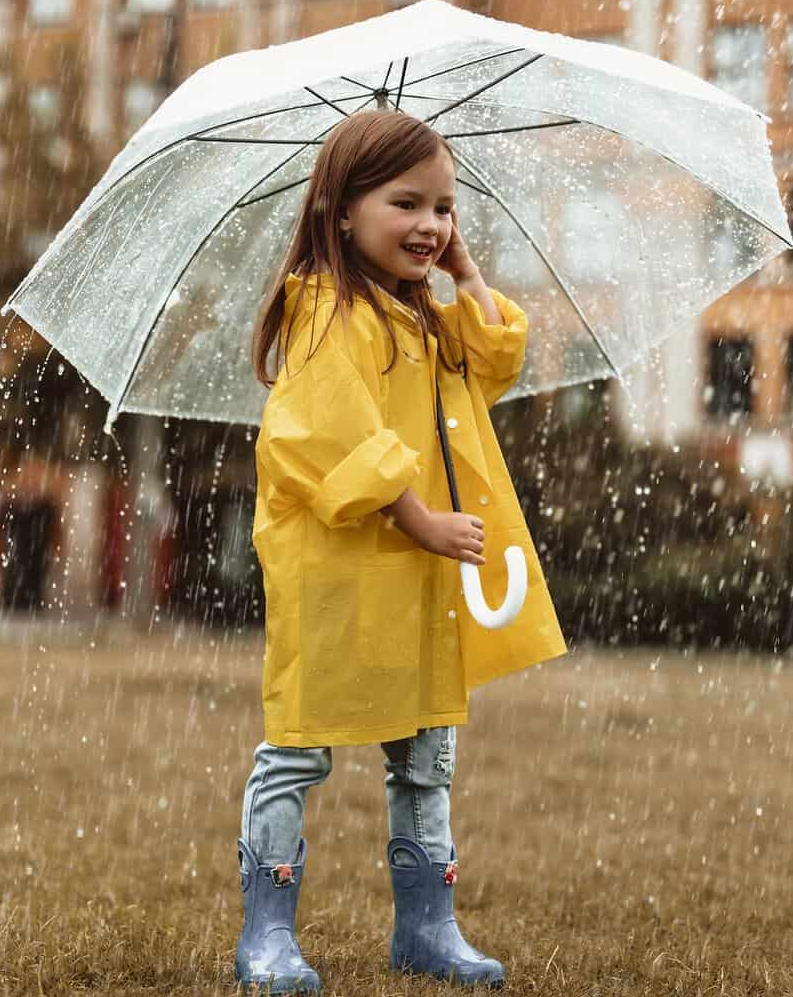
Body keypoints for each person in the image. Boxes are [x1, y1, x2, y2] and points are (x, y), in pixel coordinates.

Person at [238, 108, 567, 994]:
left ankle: (428, 924)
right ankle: (265, 931)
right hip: (341, 574)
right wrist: (420, 518)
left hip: (417, 582)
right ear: (341, 210)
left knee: (427, 753)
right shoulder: (324, 316)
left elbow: (494, 354)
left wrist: (462, 267)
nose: (431, 224)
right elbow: (317, 441)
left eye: (445, 207)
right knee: (300, 745)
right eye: (407, 203)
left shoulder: (421, 316)